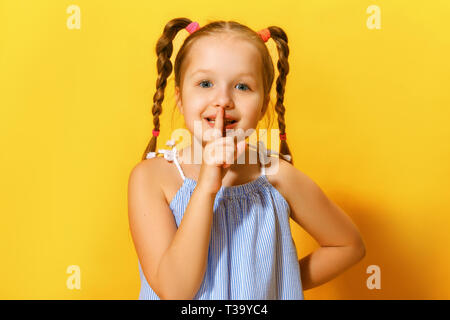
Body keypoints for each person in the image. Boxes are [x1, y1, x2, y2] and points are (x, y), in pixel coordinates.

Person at [128, 18, 366, 300]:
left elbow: (348, 246)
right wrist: (206, 187)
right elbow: (176, 291)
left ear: (263, 104)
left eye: (242, 87)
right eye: (205, 83)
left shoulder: (277, 175)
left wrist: (277, 278)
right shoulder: (152, 178)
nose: (223, 100)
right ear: (179, 98)